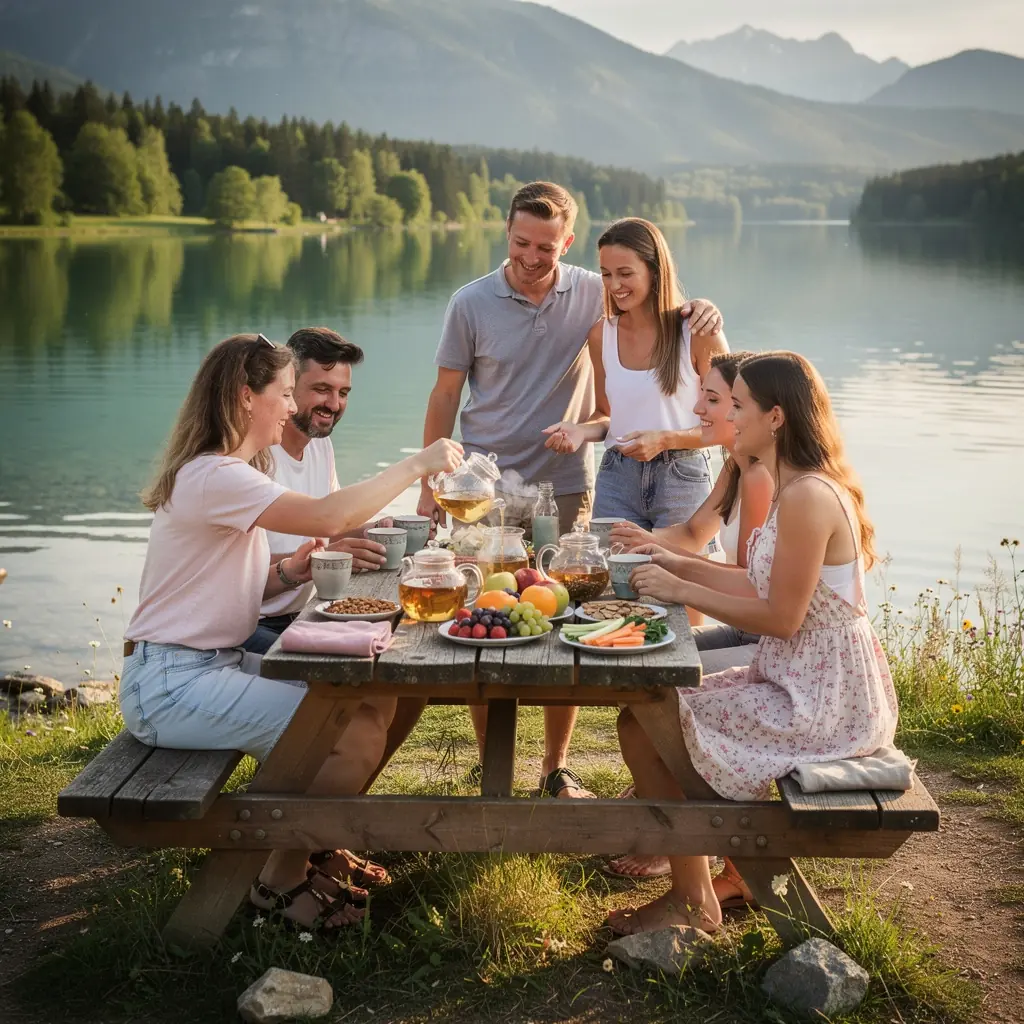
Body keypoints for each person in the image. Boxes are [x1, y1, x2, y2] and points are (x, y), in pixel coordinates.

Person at [120, 333, 462, 933]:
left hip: (208, 665)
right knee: (348, 734)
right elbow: (330, 516)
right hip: (171, 684)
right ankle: (278, 880)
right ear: (245, 397)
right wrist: (417, 464)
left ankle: (312, 845)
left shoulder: (230, 473)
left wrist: (293, 570)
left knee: (374, 696)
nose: (289, 407)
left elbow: (217, 589)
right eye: (283, 393)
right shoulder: (214, 476)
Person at [410, 182, 723, 800]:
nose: (532, 256)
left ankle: (555, 767)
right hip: (484, 489)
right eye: (522, 242)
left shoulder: (591, 290)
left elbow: (660, 304)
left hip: (568, 486)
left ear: (567, 243)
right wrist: (430, 484)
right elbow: (445, 395)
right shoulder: (469, 303)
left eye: (546, 247)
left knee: (570, 616)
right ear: (506, 232)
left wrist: (703, 307)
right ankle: (487, 762)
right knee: (486, 611)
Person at [607, 351, 898, 936]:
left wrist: (676, 583)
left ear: (777, 417)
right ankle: (697, 890)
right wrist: (673, 563)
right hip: (794, 679)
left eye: (738, 406)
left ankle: (696, 899)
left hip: (822, 702)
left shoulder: (809, 497)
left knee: (651, 726)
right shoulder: (794, 487)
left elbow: (782, 617)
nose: (728, 418)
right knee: (642, 720)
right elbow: (756, 581)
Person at [604, 349, 773, 882]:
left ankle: (688, 845)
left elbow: (754, 583)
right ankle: (665, 806)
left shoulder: (762, 477)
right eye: (702, 394)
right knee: (644, 669)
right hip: (750, 628)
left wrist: (673, 576)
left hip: (767, 639)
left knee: (658, 686)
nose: (698, 408)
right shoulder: (736, 464)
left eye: (715, 399)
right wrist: (640, 541)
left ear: (758, 410)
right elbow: (693, 535)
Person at [542, 218, 729, 575]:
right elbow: (607, 415)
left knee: (684, 592)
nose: (614, 285)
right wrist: (582, 431)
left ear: (655, 270)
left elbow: (731, 426)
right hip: (617, 476)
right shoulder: (602, 335)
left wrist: (665, 439)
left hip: (682, 477)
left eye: (625, 273)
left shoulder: (698, 333)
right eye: (606, 274)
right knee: (614, 589)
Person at [243, 327, 391, 657]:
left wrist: (371, 531)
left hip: (305, 613)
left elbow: (328, 524)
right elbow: (236, 568)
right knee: (359, 668)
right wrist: (329, 557)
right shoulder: (252, 457)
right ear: (288, 386)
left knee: (392, 647)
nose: (334, 404)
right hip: (251, 624)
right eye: (322, 390)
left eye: (344, 393)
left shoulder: (319, 448)